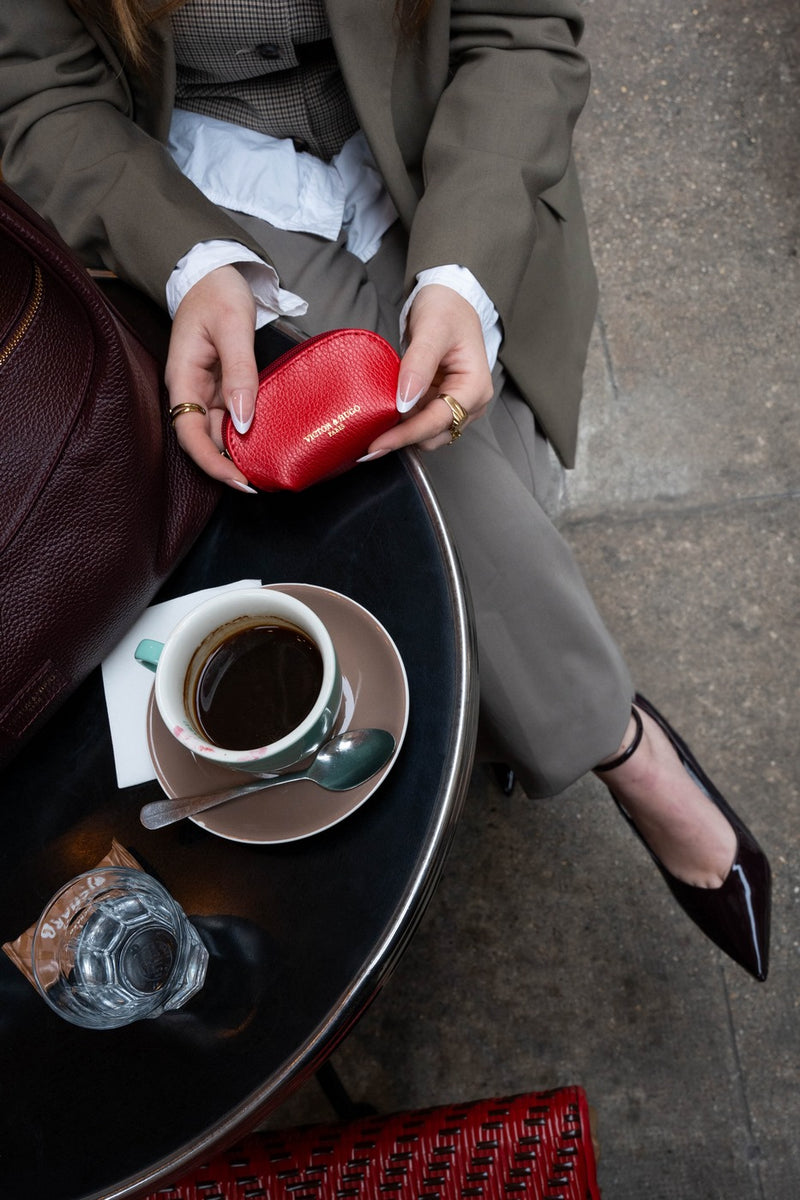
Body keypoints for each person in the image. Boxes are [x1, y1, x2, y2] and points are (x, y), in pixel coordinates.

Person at [0, 0, 770, 979]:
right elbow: (38, 95)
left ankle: (536, 712)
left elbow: (519, 27)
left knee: (461, 479)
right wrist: (192, 262)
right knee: (424, 466)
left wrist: (463, 272)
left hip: (445, 138)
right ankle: (624, 747)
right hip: (203, 185)